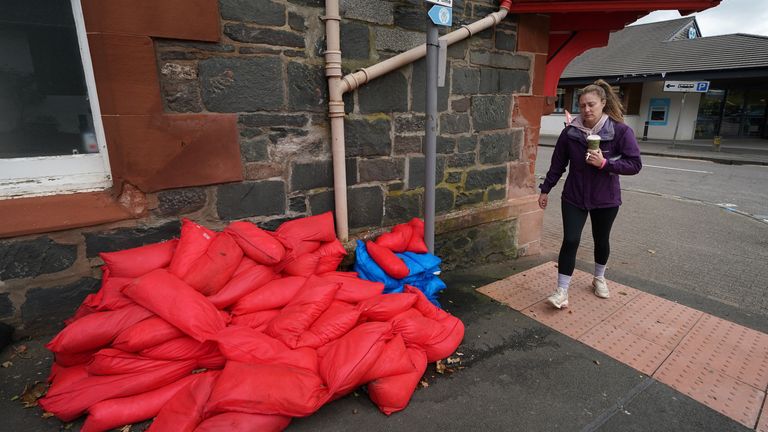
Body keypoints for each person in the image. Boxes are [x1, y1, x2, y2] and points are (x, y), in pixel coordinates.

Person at [538, 79, 642, 309]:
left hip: (606, 199)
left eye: (591, 105)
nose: (586, 110)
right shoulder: (570, 133)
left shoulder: (620, 131)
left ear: (603, 103)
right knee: (571, 240)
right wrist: (546, 189)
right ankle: (562, 291)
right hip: (574, 196)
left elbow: (634, 164)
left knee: (601, 240)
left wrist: (605, 164)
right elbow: (557, 165)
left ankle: (599, 278)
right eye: (582, 105)